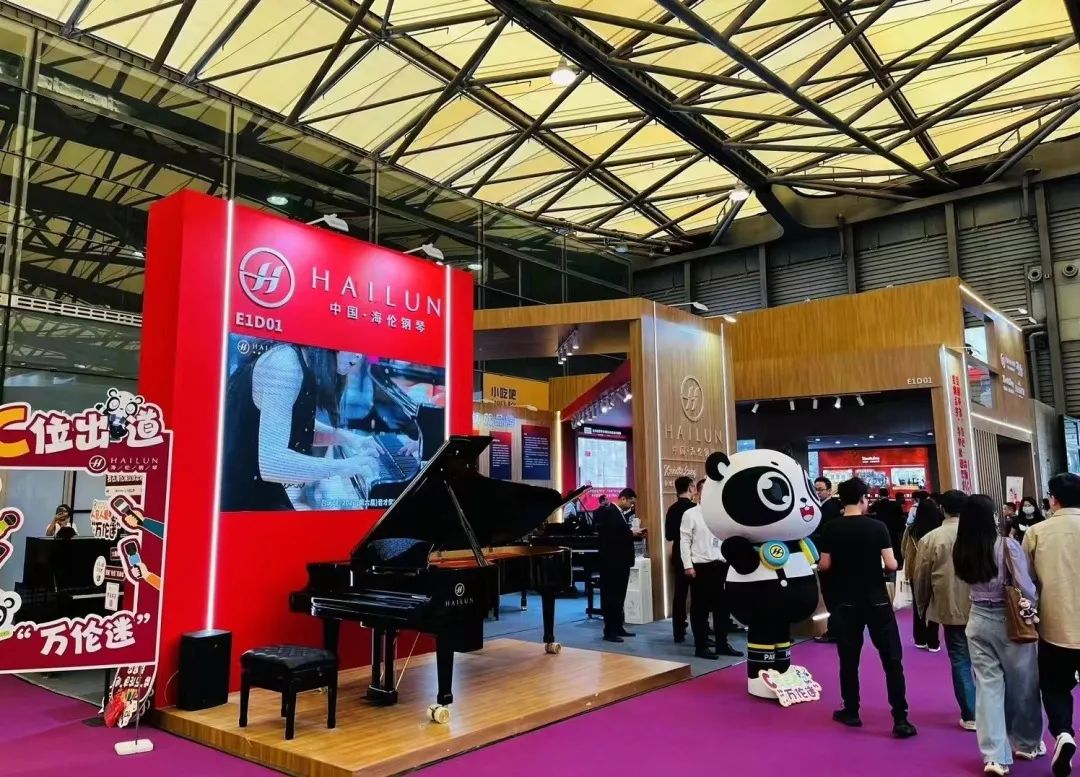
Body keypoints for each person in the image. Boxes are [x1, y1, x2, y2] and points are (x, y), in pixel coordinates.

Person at [221, 346, 384, 511]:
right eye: (351, 344)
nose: (358, 354)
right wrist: (344, 466)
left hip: (253, 485)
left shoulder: (299, 360)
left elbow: (293, 427)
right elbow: (273, 463)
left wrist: (348, 438)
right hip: (234, 498)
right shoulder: (284, 364)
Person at [818, 477, 916, 738]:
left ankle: (851, 711)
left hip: (846, 601)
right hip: (877, 600)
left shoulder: (830, 528)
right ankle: (900, 718)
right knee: (892, 660)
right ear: (863, 499)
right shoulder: (877, 527)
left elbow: (824, 565)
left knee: (849, 659)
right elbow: (892, 564)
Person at [953, 494, 1044, 775]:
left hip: (977, 618)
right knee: (1024, 685)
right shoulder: (1006, 546)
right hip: (1010, 620)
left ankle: (994, 755)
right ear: (992, 516)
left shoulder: (962, 547)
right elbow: (1025, 587)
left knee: (988, 687)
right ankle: (1027, 743)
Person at [1024, 472, 1080, 777]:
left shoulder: (1037, 532)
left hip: (1056, 625)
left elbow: (1026, 581)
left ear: (1052, 499)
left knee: (1055, 685)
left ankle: (1063, 733)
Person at [913, 489, 976, 731]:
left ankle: (971, 714)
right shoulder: (983, 533)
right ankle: (994, 710)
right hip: (986, 606)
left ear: (942, 509)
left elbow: (921, 578)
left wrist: (922, 606)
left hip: (951, 606)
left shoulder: (931, 538)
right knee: (989, 661)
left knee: (960, 660)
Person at [680, 500, 741, 660]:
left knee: (723, 608)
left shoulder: (721, 513)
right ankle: (701, 646)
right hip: (701, 566)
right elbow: (684, 541)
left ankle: (722, 644)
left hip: (722, 564)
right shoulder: (690, 514)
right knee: (700, 609)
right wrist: (688, 565)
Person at [595, 488, 642, 643]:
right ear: (623, 499)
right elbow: (612, 537)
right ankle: (610, 630)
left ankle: (618, 626)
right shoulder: (610, 512)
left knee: (619, 596)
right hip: (613, 563)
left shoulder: (619, 513)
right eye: (631, 503)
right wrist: (631, 534)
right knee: (612, 597)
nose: (631, 506)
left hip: (621, 562)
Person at [903, 498, 945, 652]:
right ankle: (933, 641)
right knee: (934, 604)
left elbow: (903, 550)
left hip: (916, 571)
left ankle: (920, 638)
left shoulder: (911, 530)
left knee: (918, 605)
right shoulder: (939, 530)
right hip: (936, 570)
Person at [665, 477, 696, 643]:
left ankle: (678, 630)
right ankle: (701, 630)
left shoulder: (672, 509)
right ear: (690, 488)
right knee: (698, 595)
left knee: (679, 594)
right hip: (694, 553)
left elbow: (669, 536)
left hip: (677, 553)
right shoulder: (694, 509)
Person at [813, 476, 843, 644]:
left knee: (832, 596)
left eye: (820, 489)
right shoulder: (822, 506)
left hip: (828, 558)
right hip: (827, 557)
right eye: (815, 489)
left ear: (829, 490)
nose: (817, 492)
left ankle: (834, 631)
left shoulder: (830, 508)